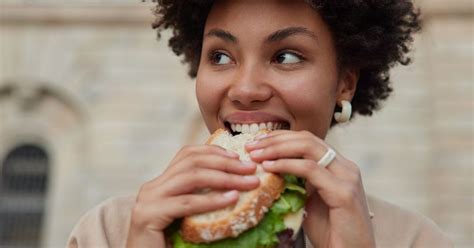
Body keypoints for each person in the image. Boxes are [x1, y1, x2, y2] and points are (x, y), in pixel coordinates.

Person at [67, 0, 453, 247]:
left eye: (286, 57)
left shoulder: (415, 241)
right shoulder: (108, 233)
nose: (246, 89)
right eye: (219, 57)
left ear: (344, 83)